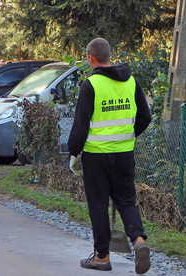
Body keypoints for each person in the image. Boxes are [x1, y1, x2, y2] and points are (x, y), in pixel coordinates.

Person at [67, 38, 152, 273]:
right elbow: (146, 117)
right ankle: (138, 240)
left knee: (98, 204)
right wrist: (128, 135)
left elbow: (81, 125)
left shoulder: (91, 84)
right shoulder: (131, 81)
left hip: (96, 156)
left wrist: (74, 152)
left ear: (91, 58)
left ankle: (102, 257)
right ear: (109, 56)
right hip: (124, 153)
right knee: (126, 200)